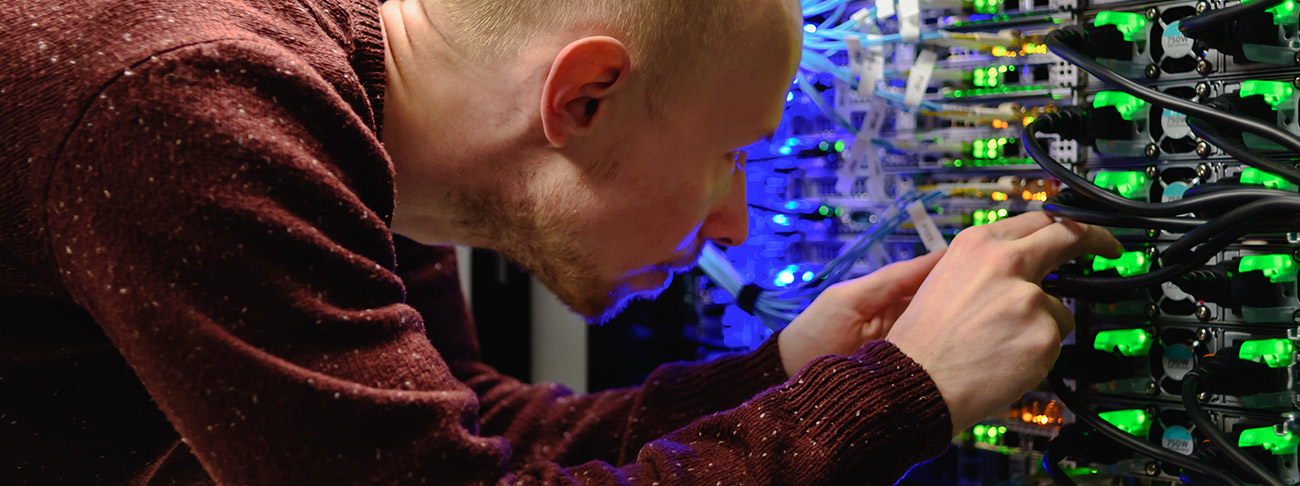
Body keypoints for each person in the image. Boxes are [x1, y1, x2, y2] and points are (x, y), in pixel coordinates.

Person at [0, 0, 1123, 483]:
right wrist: (896, 395)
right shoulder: (198, 109)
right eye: (729, 151)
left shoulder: (357, 120)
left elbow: (469, 434)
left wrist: (790, 375)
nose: (735, 224)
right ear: (585, 96)